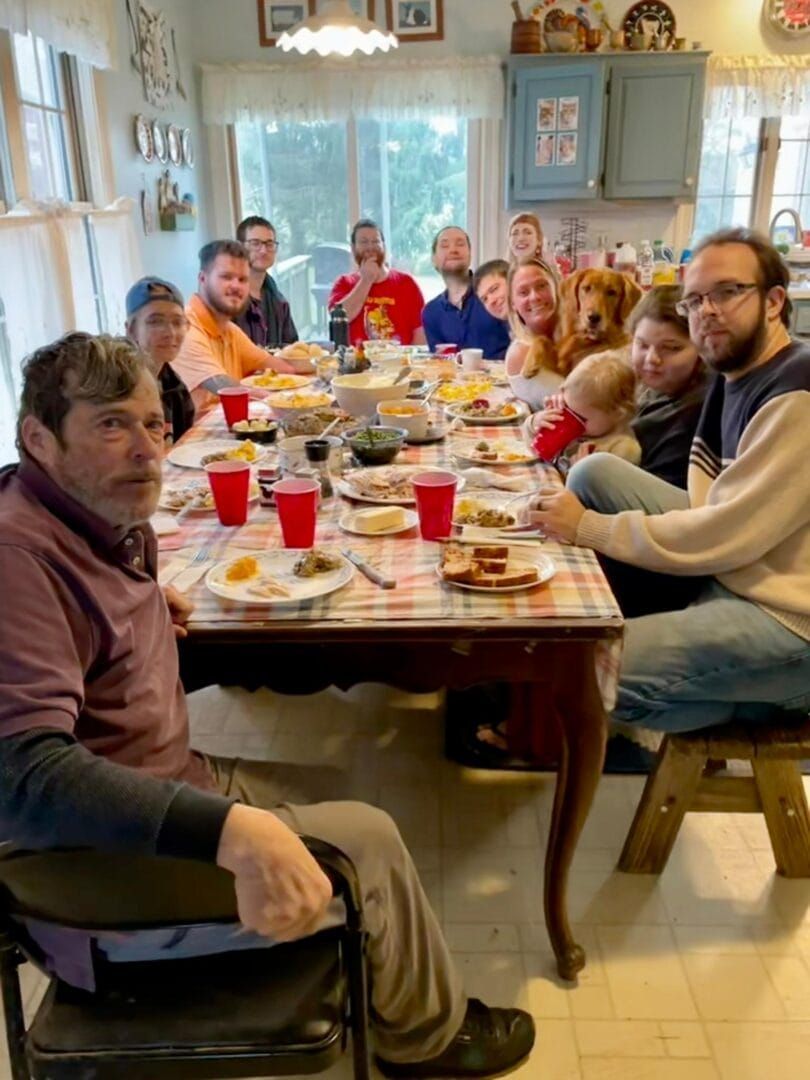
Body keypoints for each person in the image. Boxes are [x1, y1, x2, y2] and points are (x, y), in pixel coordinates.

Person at [0, 333, 535, 1079]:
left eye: (154, 424)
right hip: (87, 872)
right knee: (368, 839)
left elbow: (80, 612)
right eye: (111, 424)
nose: (148, 450)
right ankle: (426, 1040)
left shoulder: (87, 517)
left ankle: (379, 979)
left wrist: (145, 601)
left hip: (165, 780)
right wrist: (229, 834)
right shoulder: (17, 563)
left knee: (348, 795)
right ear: (38, 438)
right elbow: (21, 778)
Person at [531, 227, 810, 730]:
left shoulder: (796, 396)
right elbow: (708, 512)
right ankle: (593, 617)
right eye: (695, 300)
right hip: (738, 564)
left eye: (727, 292)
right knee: (595, 471)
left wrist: (586, 528)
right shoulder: (735, 375)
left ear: (773, 302)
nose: (707, 311)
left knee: (585, 666)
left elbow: (722, 534)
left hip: (787, 616)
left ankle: (762, 704)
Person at [172, 240, 296, 414]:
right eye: (226, 277)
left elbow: (282, 367)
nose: (236, 286)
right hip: (201, 438)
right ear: (202, 279)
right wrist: (284, 401)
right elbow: (226, 388)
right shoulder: (184, 327)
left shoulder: (228, 329)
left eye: (243, 279)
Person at [628, 285, 708, 489]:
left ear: (701, 348)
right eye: (642, 345)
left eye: (671, 348)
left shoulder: (695, 413)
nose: (652, 358)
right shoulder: (651, 386)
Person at [526, 349, 641, 468]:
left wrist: (580, 472)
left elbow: (598, 487)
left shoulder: (622, 450)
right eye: (567, 407)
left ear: (618, 414)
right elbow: (530, 447)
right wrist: (536, 422)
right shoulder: (581, 416)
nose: (570, 419)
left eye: (580, 418)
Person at [327, 219, 426, 347]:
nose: (370, 247)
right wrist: (366, 280)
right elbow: (339, 318)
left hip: (398, 363)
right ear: (353, 248)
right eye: (364, 242)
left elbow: (420, 333)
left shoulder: (407, 283)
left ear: (384, 246)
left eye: (375, 241)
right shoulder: (343, 284)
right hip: (356, 364)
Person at [421, 226, 510, 358]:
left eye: (460, 244)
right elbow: (440, 365)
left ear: (470, 254)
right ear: (434, 259)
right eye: (445, 245)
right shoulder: (431, 313)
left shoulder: (495, 294)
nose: (453, 250)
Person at [125, 276, 194, 444]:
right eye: (155, 322)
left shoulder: (175, 389)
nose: (169, 333)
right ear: (131, 330)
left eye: (178, 322)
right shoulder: (119, 389)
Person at [504, 256, 567, 409]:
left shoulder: (579, 335)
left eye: (541, 286)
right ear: (513, 304)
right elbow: (577, 406)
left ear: (556, 287)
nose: (535, 297)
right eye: (523, 292)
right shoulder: (521, 353)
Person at [232, 215, 298, 349]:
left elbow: (292, 348)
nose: (263, 251)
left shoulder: (279, 301)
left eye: (269, 244)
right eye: (255, 243)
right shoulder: (229, 298)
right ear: (239, 247)